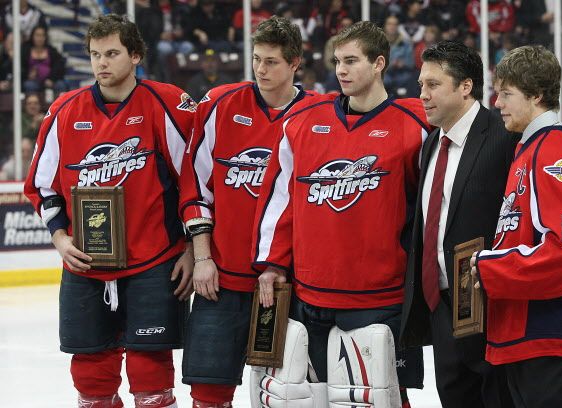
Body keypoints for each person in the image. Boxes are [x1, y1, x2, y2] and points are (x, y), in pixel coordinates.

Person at [252, 21, 428, 407]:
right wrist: (272, 264)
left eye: (352, 61)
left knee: (381, 398)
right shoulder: (301, 124)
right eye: (337, 61)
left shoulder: (415, 124)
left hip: (380, 297)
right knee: (310, 398)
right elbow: (281, 200)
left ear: (379, 63)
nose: (341, 70)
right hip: (309, 294)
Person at [23, 14, 195, 408]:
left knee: (151, 377)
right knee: (90, 378)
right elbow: (42, 185)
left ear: (135, 55)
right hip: (85, 265)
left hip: (154, 262)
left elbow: (197, 180)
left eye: (113, 53)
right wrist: (60, 237)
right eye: (95, 54)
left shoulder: (166, 103)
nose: (102, 63)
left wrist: (191, 247)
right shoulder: (64, 111)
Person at [177, 16, 314, 408]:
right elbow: (194, 187)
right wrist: (201, 256)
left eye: (271, 61)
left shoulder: (318, 113)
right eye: (256, 59)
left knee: (288, 393)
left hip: (290, 283)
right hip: (219, 278)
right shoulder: (221, 103)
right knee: (208, 393)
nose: (261, 69)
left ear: (294, 63)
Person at [471, 45, 562, 408]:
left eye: (506, 93)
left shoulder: (555, 150)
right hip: (527, 337)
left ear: (536, 95)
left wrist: (492, 268)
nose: (497, 102)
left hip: (552, 338)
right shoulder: (530, 148)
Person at [399, 40, 517, 408]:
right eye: (421, 85)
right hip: (443, 307)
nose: (423, 95)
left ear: (465, 86)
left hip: (492, 312)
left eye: (433, 84)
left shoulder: (505, 137)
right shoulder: (432, 142)